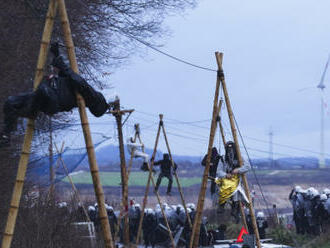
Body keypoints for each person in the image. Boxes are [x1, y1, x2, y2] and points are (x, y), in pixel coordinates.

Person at [0, 42, 109, 147]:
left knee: (43, 90)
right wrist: (56, 54)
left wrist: (61, 64)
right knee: (10, 102)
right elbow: (67, 76)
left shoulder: (90, 96)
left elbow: (78, 81)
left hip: (52, 98)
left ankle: (31, 111)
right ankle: (6, 134)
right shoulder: (77, 88)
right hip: (47, 97)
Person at [214, 141, 251, 220]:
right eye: (228, 149)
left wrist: (238, 170)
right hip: (225, 180)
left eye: (232, 149)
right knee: (221, 187)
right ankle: (221, 205)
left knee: (236, 190)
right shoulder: (223, 159)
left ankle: (235, 208)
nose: (230, 152)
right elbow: (218, 171)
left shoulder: (240, 158)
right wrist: (226, 175)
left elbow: (248, 167)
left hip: (236, 180)